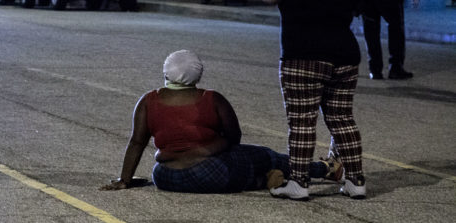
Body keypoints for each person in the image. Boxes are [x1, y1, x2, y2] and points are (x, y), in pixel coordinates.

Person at [101, 50, 338, 194]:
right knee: (263, 156)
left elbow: (136, 143)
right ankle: (325, 169)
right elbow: (234, 139)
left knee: (236, 168)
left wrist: (125, 180)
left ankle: (263, 180)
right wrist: (207, 148)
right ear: (198, 74)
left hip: (166, 177)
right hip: (210, 172)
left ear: (166, 73)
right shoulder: (212, 99)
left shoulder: (148, 101)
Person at [262, 0, 366, 200]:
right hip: (344, 56)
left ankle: (299, 182)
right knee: (343, 119)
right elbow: (354, 4)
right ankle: (356, 181)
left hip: (303, 56)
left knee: (302, 123)